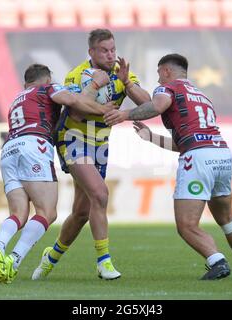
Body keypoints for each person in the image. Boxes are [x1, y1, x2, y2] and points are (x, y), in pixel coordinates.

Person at [103, 54, 232, 280]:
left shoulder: (168, 88)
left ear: (166, 71)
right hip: (221, 155)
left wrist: (124, 114)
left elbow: (157, 106)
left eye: (158, 75)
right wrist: (151, 138)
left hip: (198, 159)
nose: (157, 81)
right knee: (226, 217)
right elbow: (184, 141)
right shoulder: (202, 96)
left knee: (186, 225)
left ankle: (218, 262)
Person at [32, 29, 151, 281]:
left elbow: (148, 104)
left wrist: (127, 82)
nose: (110, 55)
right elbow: (75, 113)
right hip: (73, 139)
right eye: (104, 50)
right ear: (92, 52)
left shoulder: (122, 73)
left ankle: (50, 258)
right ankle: (104, 262)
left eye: (113, 49)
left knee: (81, 213)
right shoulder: (77, 74)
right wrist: (96, 86)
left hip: (100, 145)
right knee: (100, 193)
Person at [0, 63, 114, 284]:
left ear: (25, 82)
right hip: (34, 145)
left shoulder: (18, 99)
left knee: (18, 213)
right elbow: (72, 101)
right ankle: (14, 260)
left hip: (8, 150)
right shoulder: (47, 88)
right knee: (47, 212)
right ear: (47, 80)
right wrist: (103, 107)